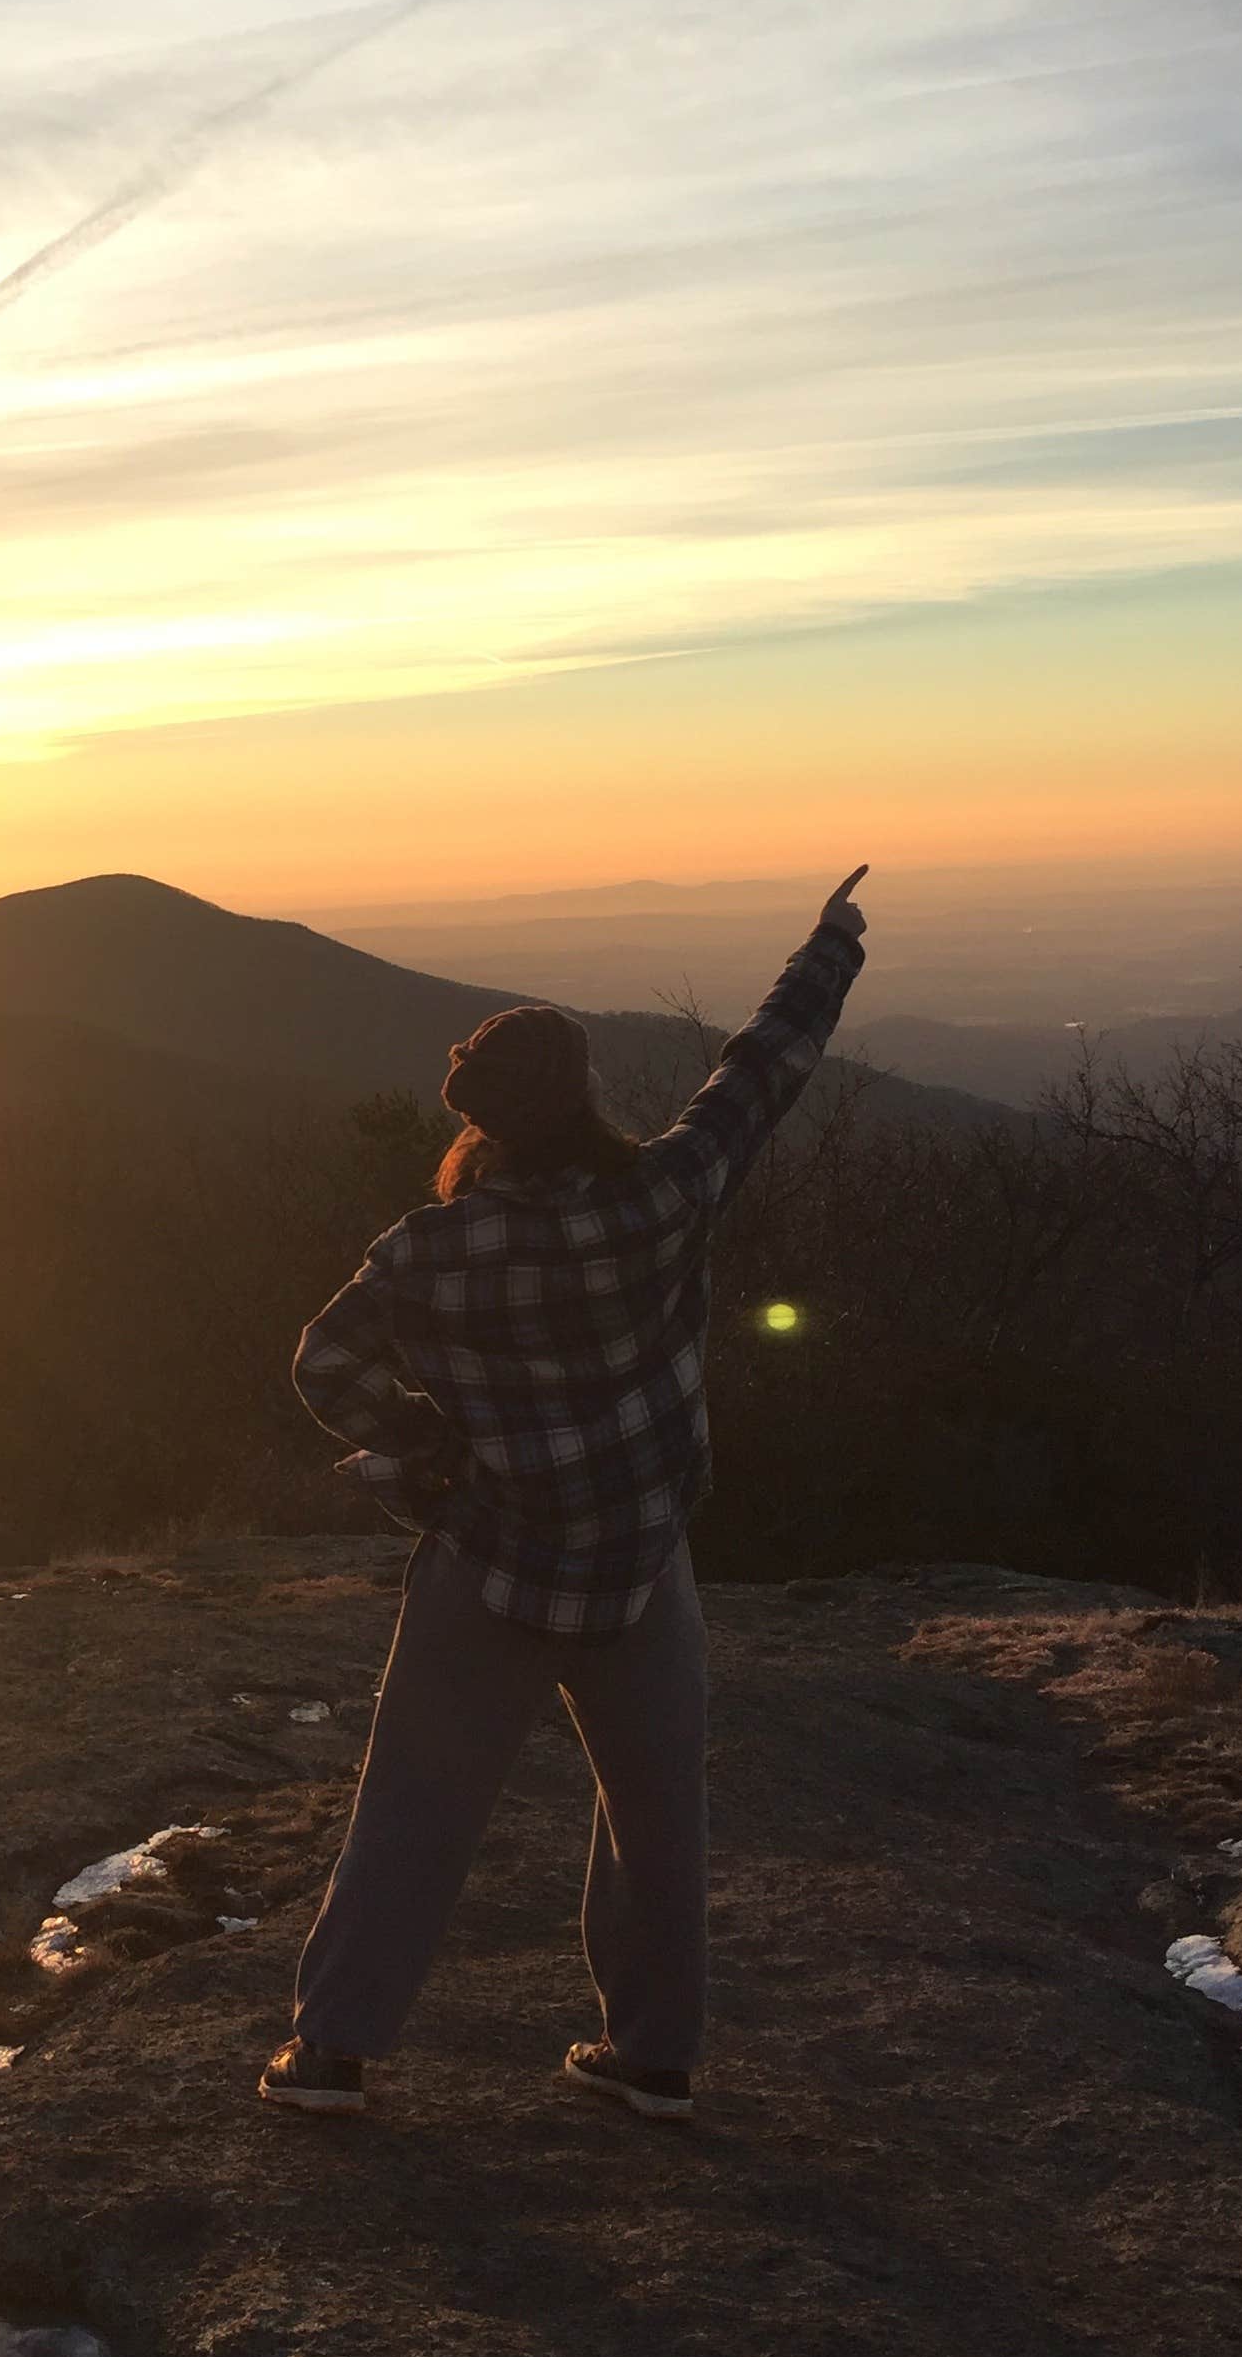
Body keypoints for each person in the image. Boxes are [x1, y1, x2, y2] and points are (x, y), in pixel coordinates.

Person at [260, 867, 871, 2121]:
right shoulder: (663, 1196)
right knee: (657, 1818)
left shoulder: (431, 1249)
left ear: (476, 1119)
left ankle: (333, 2057)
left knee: (414, 1809)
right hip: (642, 1566)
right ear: (581, 1095)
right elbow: (761, 1071)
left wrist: (425, 1448)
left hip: (489, 1566)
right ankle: (654, 2058)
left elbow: (322, 1363)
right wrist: (831, 942)